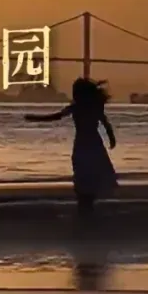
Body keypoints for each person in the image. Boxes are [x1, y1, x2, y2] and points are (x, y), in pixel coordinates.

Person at [25, 78, 117, 216]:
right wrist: (111, 138)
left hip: (85, 143)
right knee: (88, 171)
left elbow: (56, 116)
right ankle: (87, 203)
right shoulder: (90, 106)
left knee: (84, 171)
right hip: (92, 143)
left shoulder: (79, 107)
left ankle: (85, 203)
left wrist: (35, 118)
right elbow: (106, 124)